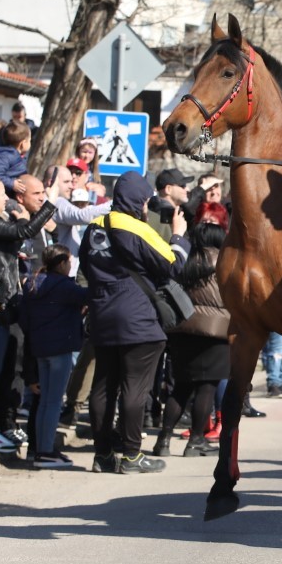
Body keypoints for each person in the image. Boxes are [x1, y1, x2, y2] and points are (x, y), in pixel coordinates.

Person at [79, 171, 188, 474]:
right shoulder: (139, 230)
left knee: (103, 388)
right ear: (141, 201)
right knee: (135, 389)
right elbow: (174, 264)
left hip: (102, 316)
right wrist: (178, 235)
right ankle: (131, 456)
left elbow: (85, 266)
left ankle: (102, 456)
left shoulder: (93, 228)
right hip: (138, 320)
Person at [0, 173, 57, 452]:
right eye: (2, 194)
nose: (7, 198)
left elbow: (16, 243)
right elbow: (23, 232)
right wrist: (45, 206)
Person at [154, 202, 239, 458]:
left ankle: (163, 440)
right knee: (206, 388)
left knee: (181, 388)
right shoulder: (225, 259)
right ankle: (196, 441)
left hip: (182, 329)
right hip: (215, 331)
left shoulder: (185, 256)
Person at [19, 243, 87, 468]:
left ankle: (40, 448)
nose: (70, 265)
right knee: (53, 402)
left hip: (40, 349)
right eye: (68, 261)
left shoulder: (33, 283)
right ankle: (46, 451)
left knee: (45, 402)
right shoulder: (64, 286)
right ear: (61, 264)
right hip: (59, 349)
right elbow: (91, 296)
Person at [0, 121, 31, 198]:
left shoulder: (17, 156)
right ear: (23, 143)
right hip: (3, 196)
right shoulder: (4, 155)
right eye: (29, 141)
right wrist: (12, 183)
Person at [148, 168, 192, 242]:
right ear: (168, 189)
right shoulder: (164, 214)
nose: (187, 189)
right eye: (182, 185)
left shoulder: (153, 208)